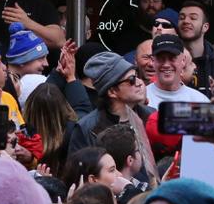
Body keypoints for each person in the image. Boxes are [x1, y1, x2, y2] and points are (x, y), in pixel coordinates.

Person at [67, 52, 156, 185]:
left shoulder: (153, 117)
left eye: (137, 76)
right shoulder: (86, 128)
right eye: (131, 80)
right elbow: (78, 177)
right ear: (112, 91)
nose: (139, 83)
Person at [144, 35, 207, 110]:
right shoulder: (141, 97)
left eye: (172, 58)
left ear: (183, 60)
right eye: (161, 58)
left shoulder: (199, 101)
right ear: (153, 61)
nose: (166, 65)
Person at [177, 1, 214, 94]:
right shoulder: (170, 62)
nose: (186, 21)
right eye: (181, 18)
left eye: (193, 18)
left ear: (205, 27)